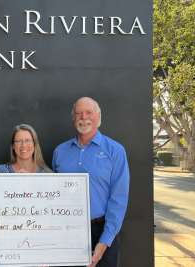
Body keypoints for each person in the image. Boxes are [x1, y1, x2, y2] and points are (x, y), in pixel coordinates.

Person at [52, 97, 130, 267]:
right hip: (67, 232)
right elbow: (53, 195)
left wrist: (105, 241)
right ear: (73, 118)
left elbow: (119, 198)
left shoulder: (115, 151)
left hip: (102, 232)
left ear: (98, 116)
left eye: (89, 113)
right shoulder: (60, 152)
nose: (83, 117)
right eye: (78, 113)